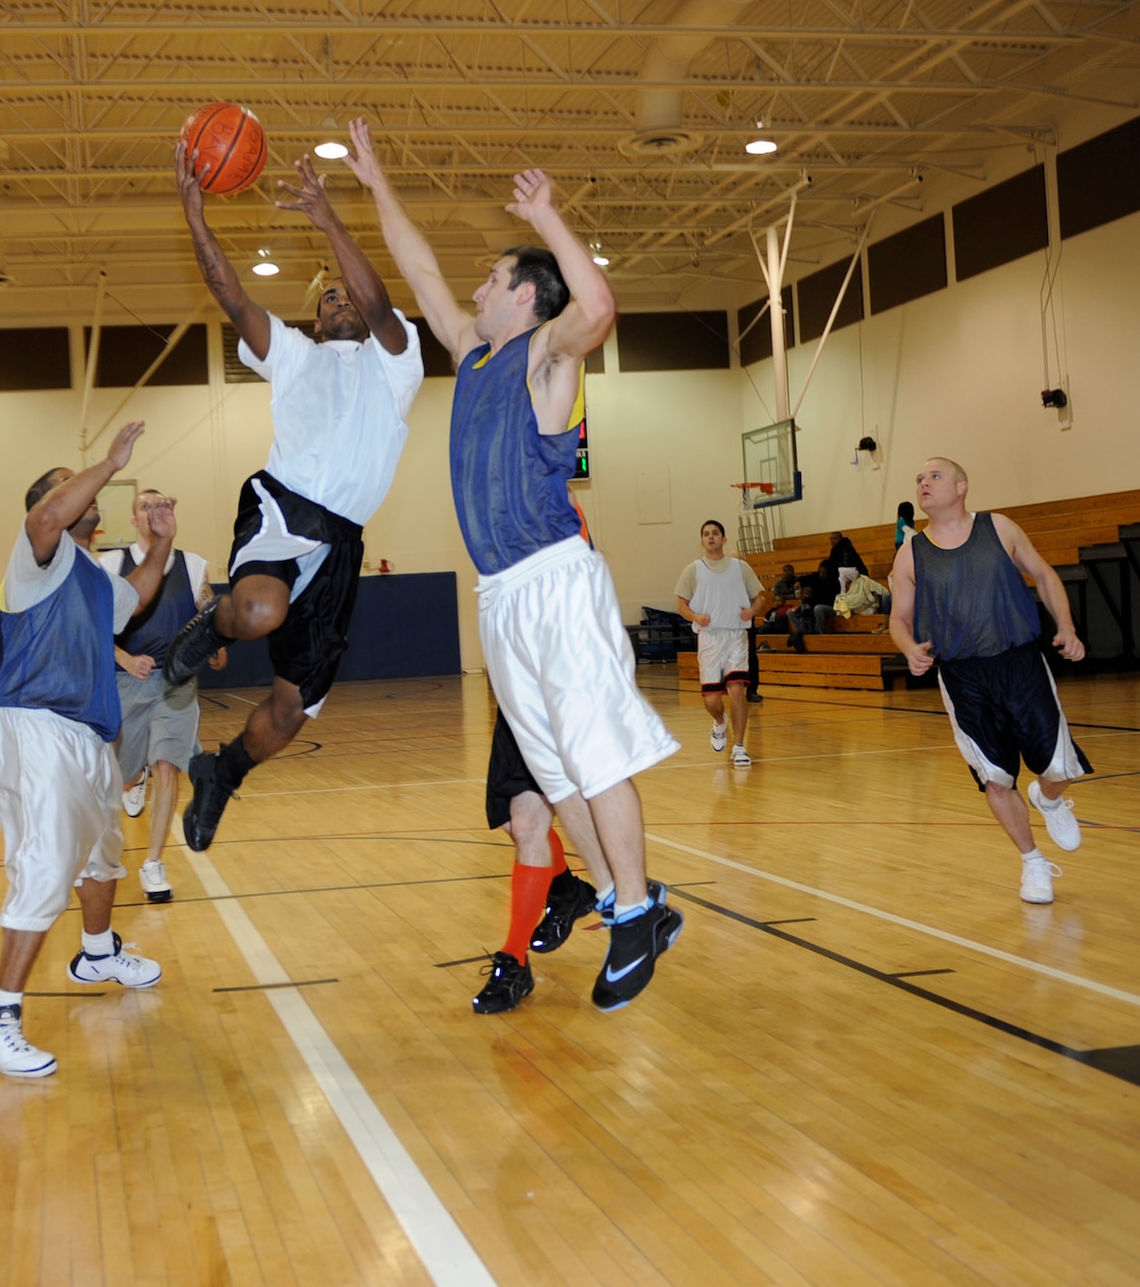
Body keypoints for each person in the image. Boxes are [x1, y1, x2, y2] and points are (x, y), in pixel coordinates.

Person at [346, 117, 684, 1014]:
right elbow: (416, 269)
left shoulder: (544, 358)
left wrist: (548, 221)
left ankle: (641, 906)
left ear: (526, 299)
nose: (473, 288)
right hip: (498, 594)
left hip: (554, 577)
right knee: (556, 766)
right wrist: (377, 181)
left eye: (492, 280)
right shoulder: (474, 354)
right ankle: (617, 899)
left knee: (595, 751)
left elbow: (600, 309)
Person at [160, 144, 425, 851]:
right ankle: (212, 624)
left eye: (346, 296)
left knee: (290, 711)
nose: (340, 300)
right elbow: (231, 293)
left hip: (341, 542)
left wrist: (326, 216)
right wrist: (194, 212)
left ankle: (223, 773)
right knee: (257, 608)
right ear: (314, 324)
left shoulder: (397, 363)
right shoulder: (295, 355)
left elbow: (376, 299)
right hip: (283, 506)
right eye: (327, 298)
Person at [0, 421, 173, 1079]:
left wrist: (161, 546)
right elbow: (44, 515)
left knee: (102, 854)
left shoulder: (89, 570)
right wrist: (110, 461)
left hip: (87, 733)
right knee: (45, 863)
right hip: (35, 724)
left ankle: (96, 952)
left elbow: (135, 597)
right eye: (68, 490)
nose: (86, 495)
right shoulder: (38, 555)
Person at [888, 457, 1089, 903]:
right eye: (919, 479)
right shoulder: (910, 553)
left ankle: (1050, 799)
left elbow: (1043, 574)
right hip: (963, 676)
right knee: (996, 777)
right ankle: (1033, 862)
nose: (924, 484)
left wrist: (1067, 628)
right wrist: (908, 648)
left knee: (1059, 767)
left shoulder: (999, 528)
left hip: (1021, 662)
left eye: (934, 476)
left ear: (961, 487)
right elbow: (898, 618)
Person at [106, 488, 225, 905]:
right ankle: (133, 782)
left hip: (177, 681)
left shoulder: (192, 565)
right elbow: (92, 626)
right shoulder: (111, 564)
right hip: (128, 683)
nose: (153, 512)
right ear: (134, 520)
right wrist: (122, 658)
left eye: (160, 505)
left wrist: (215, 642)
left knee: (168, 765)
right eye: (144, 506)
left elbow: (205, 608)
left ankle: (153, 863)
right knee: (124, 772)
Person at [469, 710, 602, 1014]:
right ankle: (568, 891)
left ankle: (514, 960)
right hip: (514, 702)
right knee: (509, 821)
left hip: (554, 699)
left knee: (528, 826)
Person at [675, 519, 772, 766]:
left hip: (736, 635)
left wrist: (752, 611)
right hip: (709, 638)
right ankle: (720, 721)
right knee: (711, 700)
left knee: (737, 690)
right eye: (706, 534)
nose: (711, 537)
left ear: (724, 539)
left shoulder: (740, 568)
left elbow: (760, 598)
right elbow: (681, 606)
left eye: (715, 533)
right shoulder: (693, 570)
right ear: (701, 541)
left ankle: (739, 746)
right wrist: (696, 616)